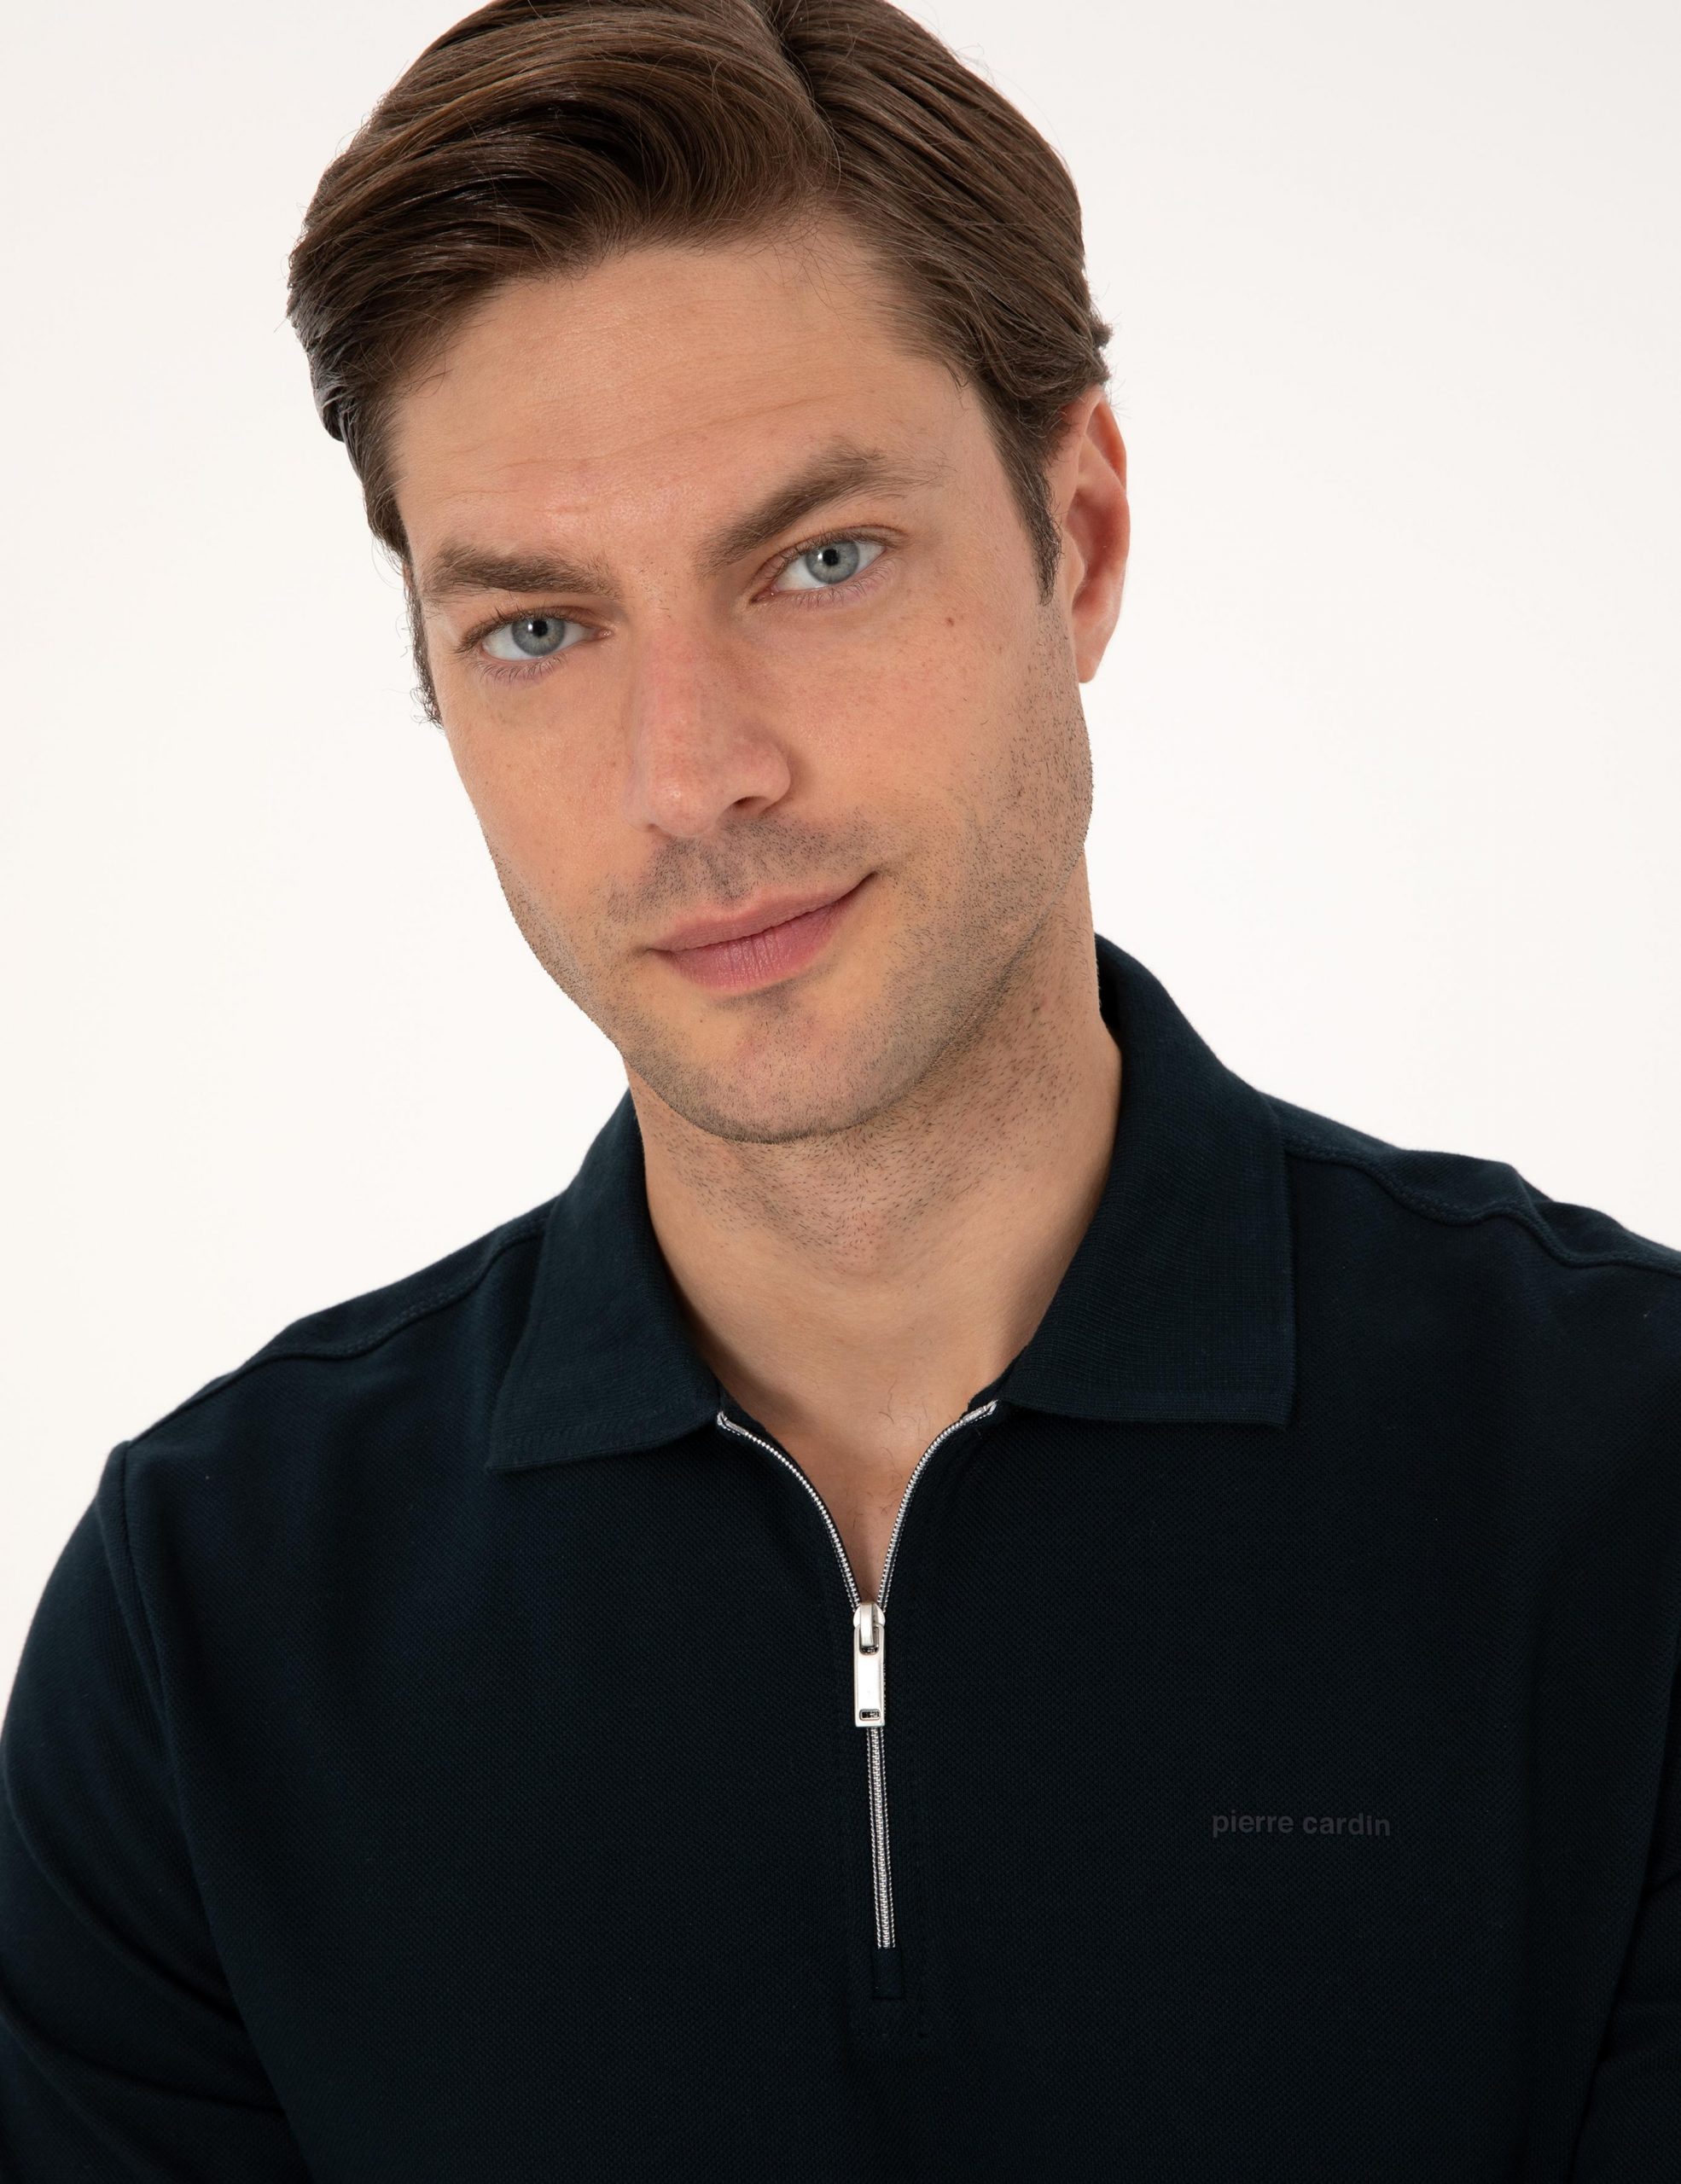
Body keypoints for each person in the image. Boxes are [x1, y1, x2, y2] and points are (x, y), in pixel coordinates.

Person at [3, 0, 1678, 2175]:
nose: (692, 772)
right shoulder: (208, 1619)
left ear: (1079, 537)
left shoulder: (1627, 1483)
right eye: (538, 627)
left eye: (819, 560)